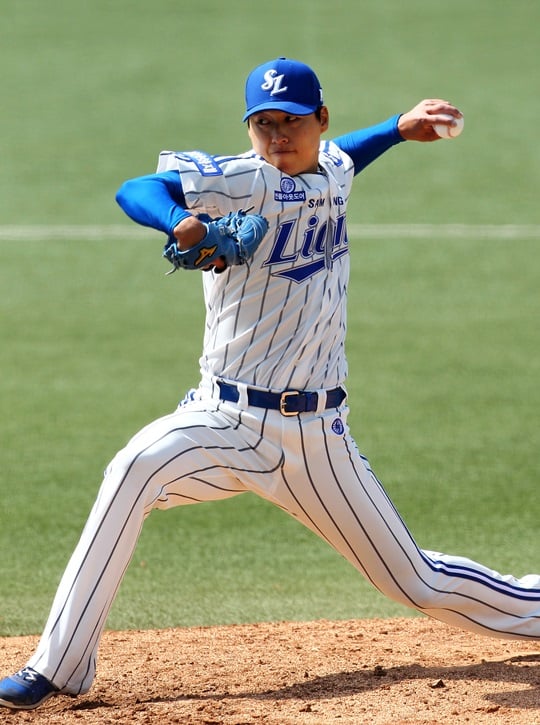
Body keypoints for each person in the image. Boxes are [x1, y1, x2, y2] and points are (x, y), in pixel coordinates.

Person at [1, 56, 538, 712]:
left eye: (292, 122)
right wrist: (180, 222)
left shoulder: (330, 169)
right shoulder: (242, 180)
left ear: (321, 119)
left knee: (417, 582)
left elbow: (345, 157)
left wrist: (398, 128)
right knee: (133, 470)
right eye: (264, 123)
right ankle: (57, 664)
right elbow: (136, 187)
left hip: (317, 440)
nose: (278, 136)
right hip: (222, 421)